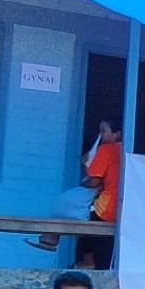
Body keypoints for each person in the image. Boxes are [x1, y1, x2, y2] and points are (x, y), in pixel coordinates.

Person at [27, 116, 123, 270]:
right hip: (123, 210)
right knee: (85, 217)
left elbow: (93, 182)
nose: (101, 135)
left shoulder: (107, 150)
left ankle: (62, 246)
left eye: (104, 131)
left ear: (117, 134)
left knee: (66, 204)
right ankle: (53, 240)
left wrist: (83, 180)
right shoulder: (126, 150)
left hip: (107, 210)